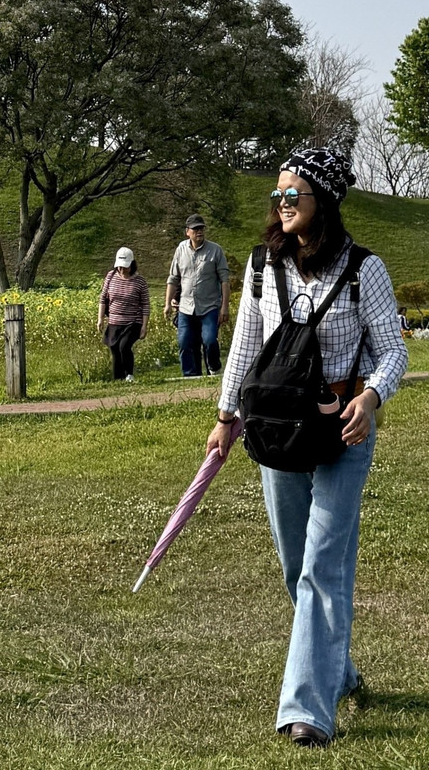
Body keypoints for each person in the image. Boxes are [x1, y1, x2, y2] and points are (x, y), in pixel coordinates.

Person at [206, 146, 407, 749]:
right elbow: (245, 346)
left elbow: (392, 351)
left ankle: (307, 709)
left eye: (293, 193)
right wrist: (225, 417)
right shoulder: (261, 266)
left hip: (342, 432)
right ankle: (338, 669)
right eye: (278, 195)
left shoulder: (364, 270)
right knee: (296, 566)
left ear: (324, 200)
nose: (282, 203)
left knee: (323, 562)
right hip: (275, 430)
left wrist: (370, 398)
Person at [164, 215, 230, 376]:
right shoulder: (181, 249)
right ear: (187, 232)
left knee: (209, 340)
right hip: (186, 307)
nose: (199, 231)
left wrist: (224, 307)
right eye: (195, 229)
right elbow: (173, 278)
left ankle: (214, 368)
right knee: (184, 342)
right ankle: (190, 375)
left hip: (210, 306)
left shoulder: (215, 250)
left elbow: (225, 280)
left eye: (201, 228)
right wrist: (167, 303)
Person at [97, 247, 150, 382]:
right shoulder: (111, 276)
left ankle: (129, 374)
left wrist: (144, 326)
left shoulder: (140, 282)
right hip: (114, 321)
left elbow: (145, 305)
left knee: (124, 346)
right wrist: (100, 319)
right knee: (114, 348)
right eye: (119, 266)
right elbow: (103, 298)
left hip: (133, 321)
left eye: (125, 266)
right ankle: (118, 378)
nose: (121, 269)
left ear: (132, 264)